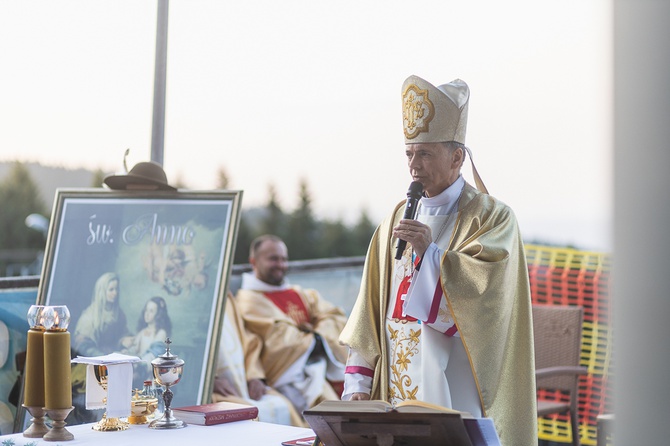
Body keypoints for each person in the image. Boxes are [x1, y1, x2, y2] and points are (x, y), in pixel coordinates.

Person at [339, 75, 537, 445]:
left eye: (426, 153)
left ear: (457, 157)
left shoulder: (493, 217)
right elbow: (368, 313)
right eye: (410, 153)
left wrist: (431, 256)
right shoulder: (393, 222)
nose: (414, 166)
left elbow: (486, 306)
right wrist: (357, 387)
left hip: (458, 388)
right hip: (395, 391)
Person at [234, 235, 348, 417]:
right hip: (290, 376)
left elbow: (333, 315)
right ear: (253, 261)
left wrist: (315, 337)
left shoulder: (300, 293)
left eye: (284, 259)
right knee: (331, 414)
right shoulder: (248, 301)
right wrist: (316, 336)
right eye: (273, 259)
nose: (280, 264)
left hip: (324, 365)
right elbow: (278, 339)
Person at [212, 293, 304, 427]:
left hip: (243, 387)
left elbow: (248, 340)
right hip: (215, 393)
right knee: (249, 414)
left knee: (282, 405)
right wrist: (209, 382)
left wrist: (254, 376)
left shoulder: (224, 297)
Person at [73, 272, 130, 356]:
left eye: (117, 289)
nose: (115, 293)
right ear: (102, 291)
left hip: (114, 358)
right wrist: (103, 356)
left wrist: (123, 343)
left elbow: (122, 335)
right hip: (95, 361)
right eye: (111, 289)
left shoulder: (119, 314)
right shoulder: (89, 316)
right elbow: (83, 346)